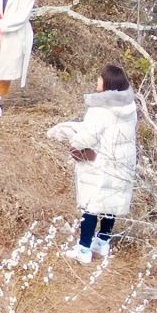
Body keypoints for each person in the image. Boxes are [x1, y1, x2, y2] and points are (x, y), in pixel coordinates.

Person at [46, 64, 139, 264]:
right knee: (110, 203)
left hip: (100, 163)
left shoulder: (101, 110)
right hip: (121, 163)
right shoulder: (129, 107)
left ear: (107, 83)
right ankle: (102, 242)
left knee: (91, 205)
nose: (97, 80)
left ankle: (83, 249)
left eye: (100, 77)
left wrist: (70, 139)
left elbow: (86, 137)